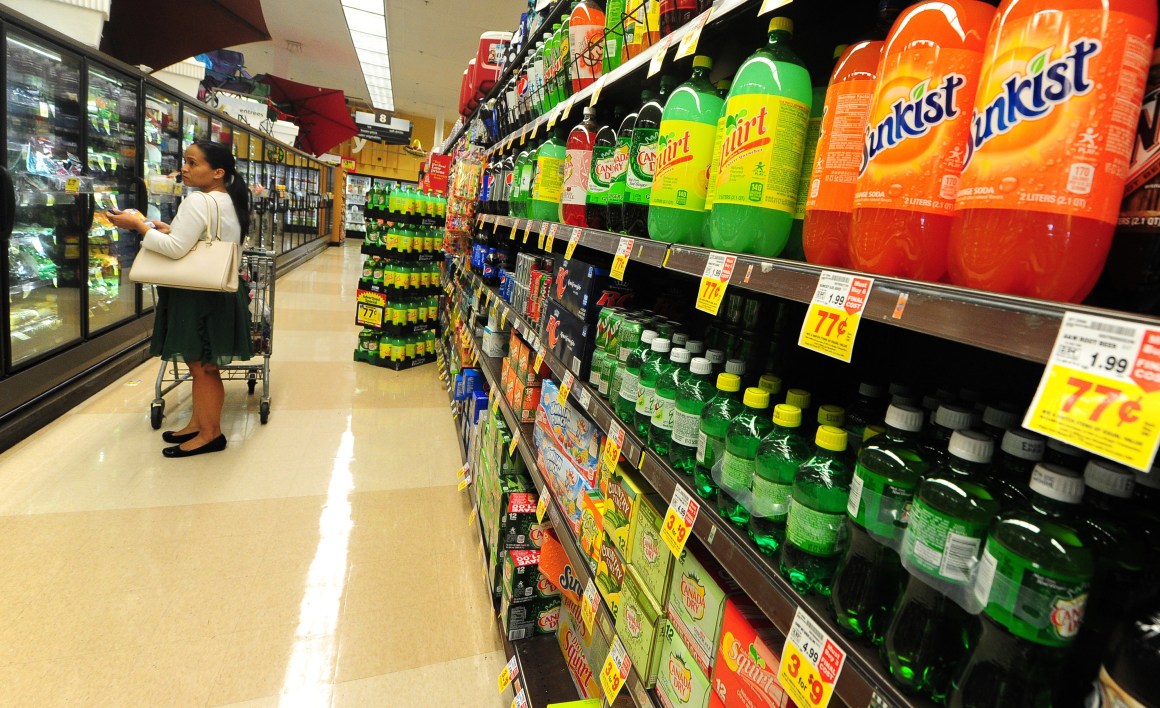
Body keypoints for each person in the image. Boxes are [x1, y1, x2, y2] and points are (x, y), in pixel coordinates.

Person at [107, 140, 253, 458]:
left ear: (217, 172)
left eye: (192, 162)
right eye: (184, 161)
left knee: (201, 367)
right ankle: (198, 424)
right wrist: (165, 228)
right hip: (217, 291)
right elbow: (203, 239)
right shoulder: (228, 199)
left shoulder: (200, 201)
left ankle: (211, 434)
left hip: (197, 295)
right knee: (203, 364)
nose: (184, 168)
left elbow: (175, 250)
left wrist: (138, 227)